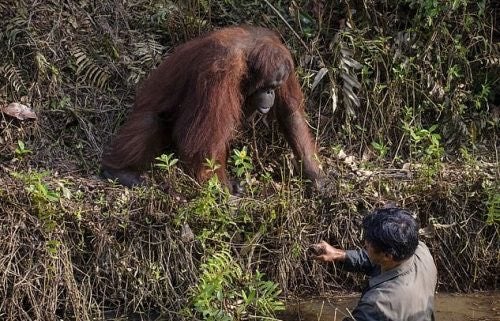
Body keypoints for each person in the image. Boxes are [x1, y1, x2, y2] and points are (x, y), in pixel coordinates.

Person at [311, 207, 437, 321]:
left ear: (388, 255)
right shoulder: (420, 250)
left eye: (370, 243)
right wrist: (338, 254)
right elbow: (377, 260)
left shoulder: (378, 304)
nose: (366, 243)